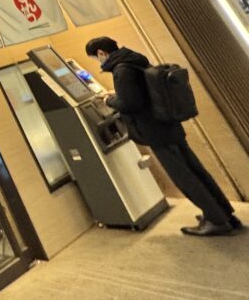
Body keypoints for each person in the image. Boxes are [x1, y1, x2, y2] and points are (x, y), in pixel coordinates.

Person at [85, 37, 241, 236]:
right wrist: (117, 95)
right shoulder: (134, 60)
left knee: (184, 178)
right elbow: (142, 94)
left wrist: (109, 100)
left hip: (155, 131)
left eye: (95, 58)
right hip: (169, 125)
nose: (98, 62)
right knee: (196, 171)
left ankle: (216, 221)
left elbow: (130, 103)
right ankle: (224, 214)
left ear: (101, 53)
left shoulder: (121, 70)